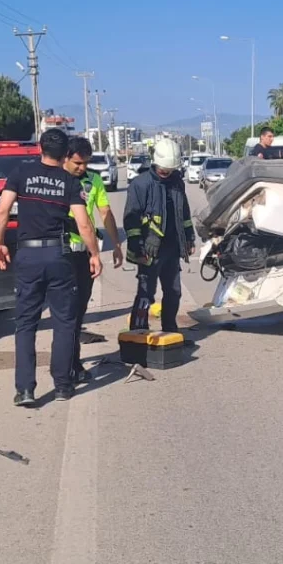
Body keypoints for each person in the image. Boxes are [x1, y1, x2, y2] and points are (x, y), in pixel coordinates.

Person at [0, 129, 102, 406]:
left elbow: (2, 211)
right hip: (59, 256)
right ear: (66, 154)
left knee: (26, 324)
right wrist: (94, 254)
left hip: (28, 256)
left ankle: (26, 390)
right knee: (64, 322)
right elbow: (84, 223)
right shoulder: (69, 182)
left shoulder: (21, 173)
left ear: (39, 148)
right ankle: (63, 385)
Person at [62, 136, 122, 383]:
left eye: (86, 163)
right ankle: (69, 364)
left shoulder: (93, 180)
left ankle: (70, 362)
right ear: (65, 158)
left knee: (79, 310)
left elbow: (105, 212)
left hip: (84, 253)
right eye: (77, 163)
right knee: (66, 312)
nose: (82, 168)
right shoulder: (56, 179)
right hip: (60, 254)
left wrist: (116, 243)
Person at [124, 139, 195, 333]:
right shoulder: (140, 184)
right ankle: (138, 333)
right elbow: (131, 220)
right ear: (155, 162)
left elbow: (185, 213)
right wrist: (136, 247)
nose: (166, 172)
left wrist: (189, 237)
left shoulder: (177, 183)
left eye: (170, 169)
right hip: (149, 249)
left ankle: (170, 330)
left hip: (172, 248)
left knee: (174, 292)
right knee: (146, 294)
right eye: (164, 168)